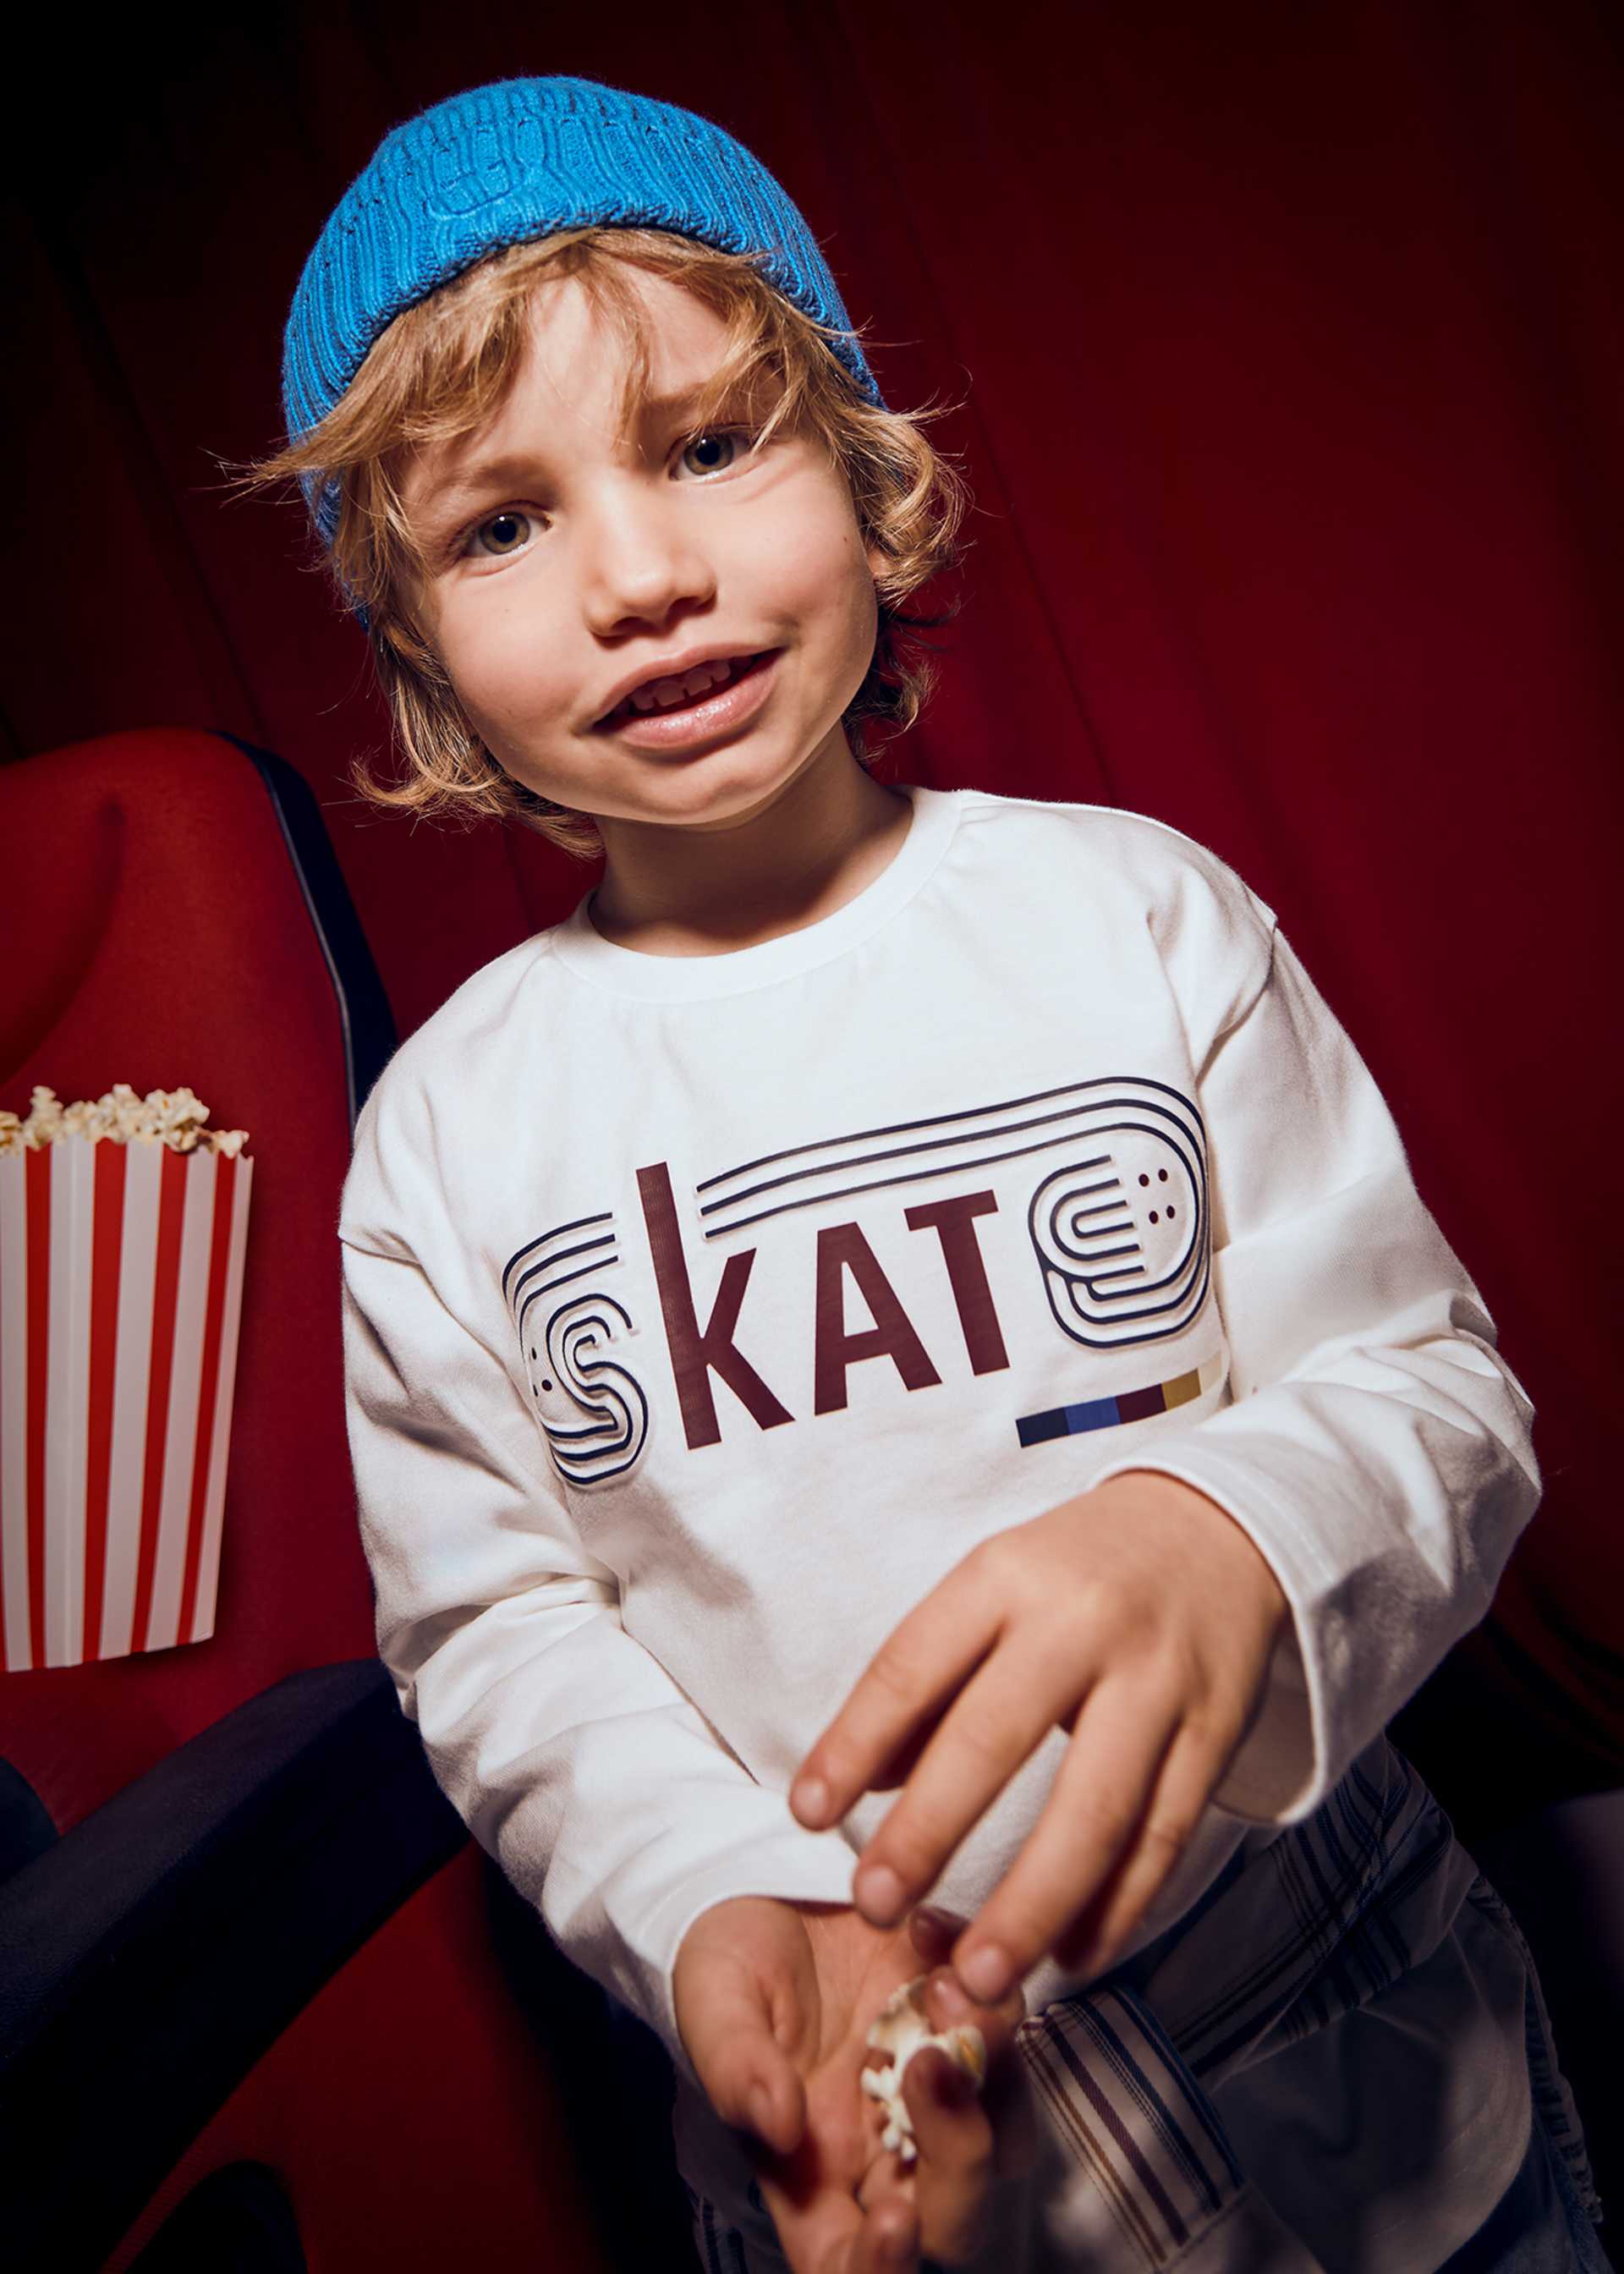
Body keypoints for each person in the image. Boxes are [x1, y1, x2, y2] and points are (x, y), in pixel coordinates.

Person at [245, 73, 1605, 2272]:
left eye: (708, 443)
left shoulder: (1136, 921)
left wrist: (1225, 1527)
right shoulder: (449, 1144)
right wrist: (718, 1903)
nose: (644, 573)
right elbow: (496, 1630)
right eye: (504, 524)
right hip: (879, 2157)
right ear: (416, 656)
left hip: (1356, 2062)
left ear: (869, 479)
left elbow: (1438, 1397)